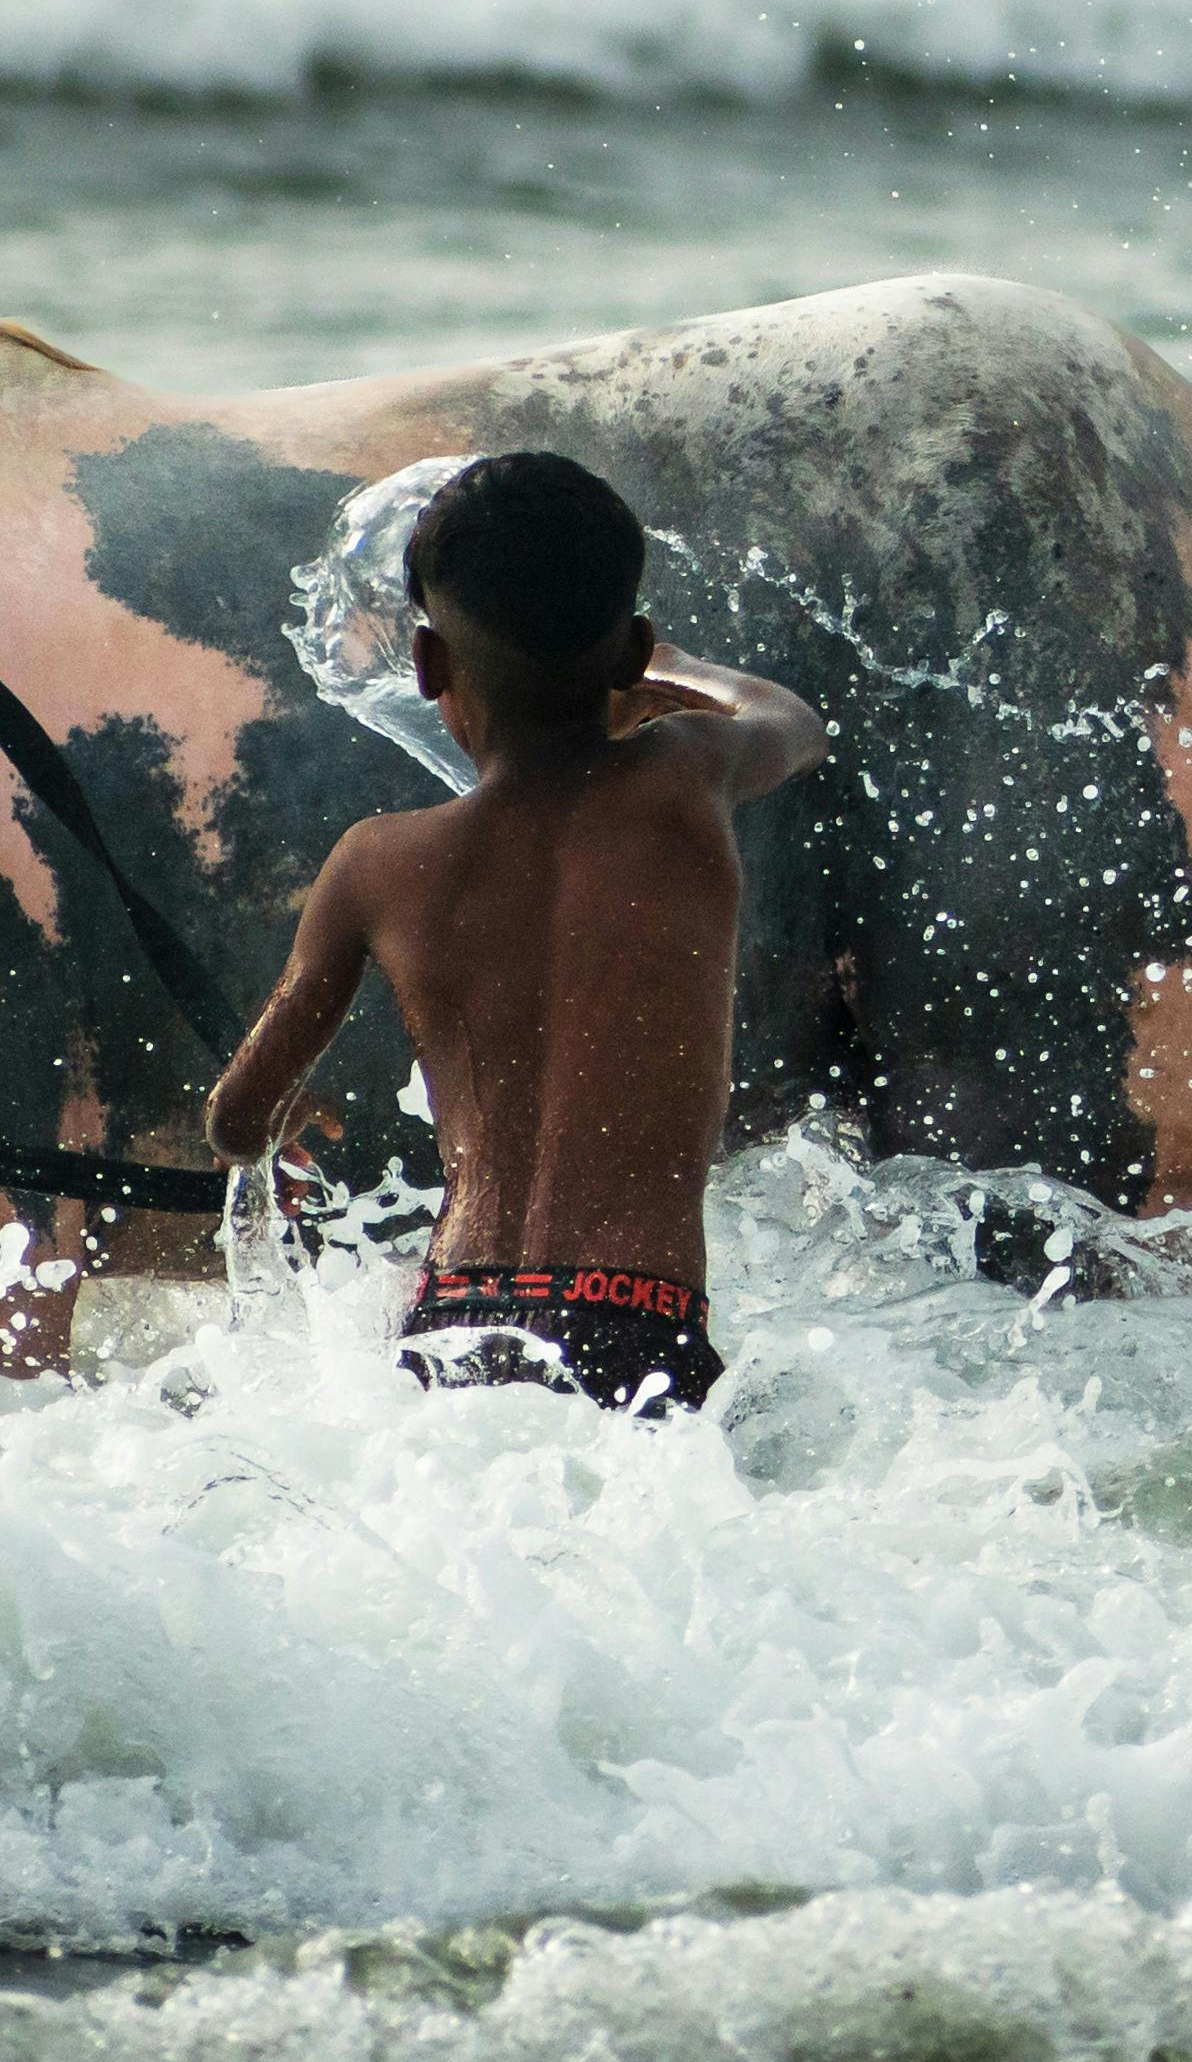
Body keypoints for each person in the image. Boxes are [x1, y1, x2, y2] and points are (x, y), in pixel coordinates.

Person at [206, 451, 825, 1408]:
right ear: (631, 652)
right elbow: (790, 720)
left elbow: (236, 1122)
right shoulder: (686, 778)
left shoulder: (374, 860)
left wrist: (283, 1113)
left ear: (426, 665)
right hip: (637, 1318)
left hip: (452, 1320)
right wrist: (667, 669)